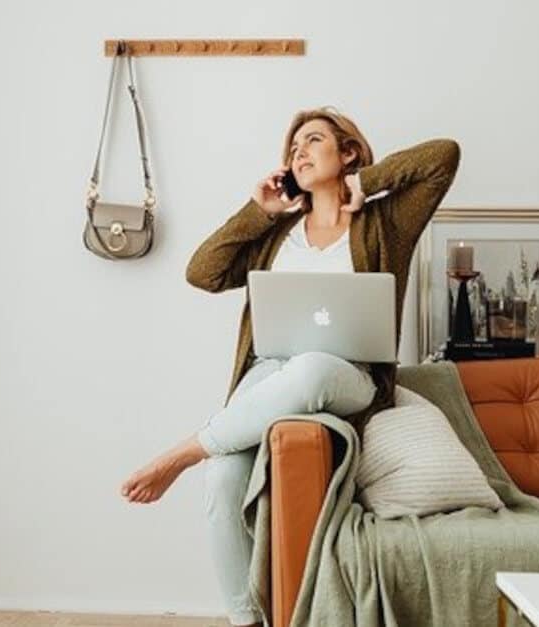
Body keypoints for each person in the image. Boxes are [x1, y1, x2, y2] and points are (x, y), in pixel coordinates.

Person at [119, 106, 461, 626]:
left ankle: (184, 451)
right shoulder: (277, 233)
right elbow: (202, 272)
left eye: (314, 140)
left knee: (313, 369)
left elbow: (443, 156)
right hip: (269, 368)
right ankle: (245, 620)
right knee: (223, 482)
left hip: (346, 375)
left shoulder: (386, 223)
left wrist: (363, 182)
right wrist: (257, 212)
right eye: (293, 147)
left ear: (346, 152)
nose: (299, 152)